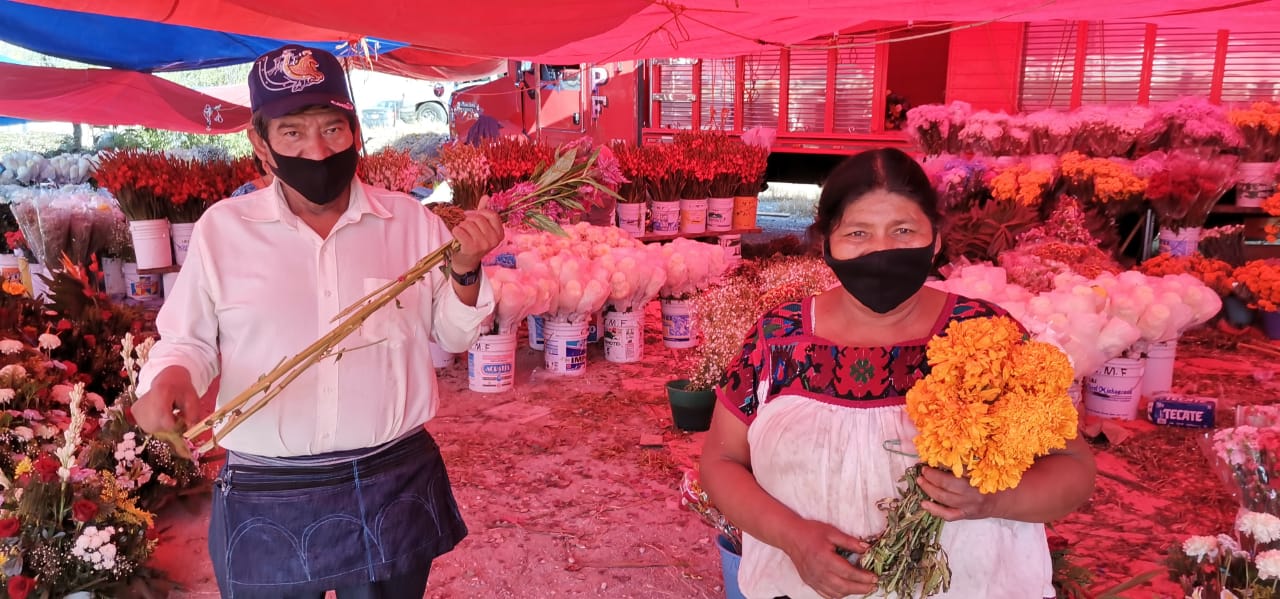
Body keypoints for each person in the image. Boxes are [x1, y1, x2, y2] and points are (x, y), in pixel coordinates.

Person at [132, 44, 504, 599]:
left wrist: (466, 268)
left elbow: (451, 335)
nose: (318, 149)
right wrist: (170, 378)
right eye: (293, 133)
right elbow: (188, 339)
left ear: (355, 131)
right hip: (268, 488)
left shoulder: (408, 222)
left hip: (389, 477)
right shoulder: (223, 231)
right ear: (260, 143)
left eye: (333, 129)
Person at [699, 148, 1096, 599]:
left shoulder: (989, 337)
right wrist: (793, 538)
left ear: (936, 239)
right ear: (826, 243)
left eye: (903, 230)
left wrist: (994, 499)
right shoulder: (778, 338)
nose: (881, 250)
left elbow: (1073, 470)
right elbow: (720, 462)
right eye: (858, 233)